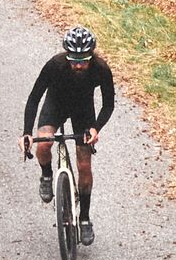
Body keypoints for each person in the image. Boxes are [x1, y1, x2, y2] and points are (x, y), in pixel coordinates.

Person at [19, 25, 114, 244]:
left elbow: (108, 104)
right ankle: (46, 175)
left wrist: (95, 128)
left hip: (83, 111)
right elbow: (34, 98)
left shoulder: (100, 69)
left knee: (84, 165)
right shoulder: (55, 65)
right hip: (56, 105)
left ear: (92, 56)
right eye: (74, 60)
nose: (78, 65)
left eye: (83, 60)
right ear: (66, 55)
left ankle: (85, 219)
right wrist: (26, 133)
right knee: (44, 144)